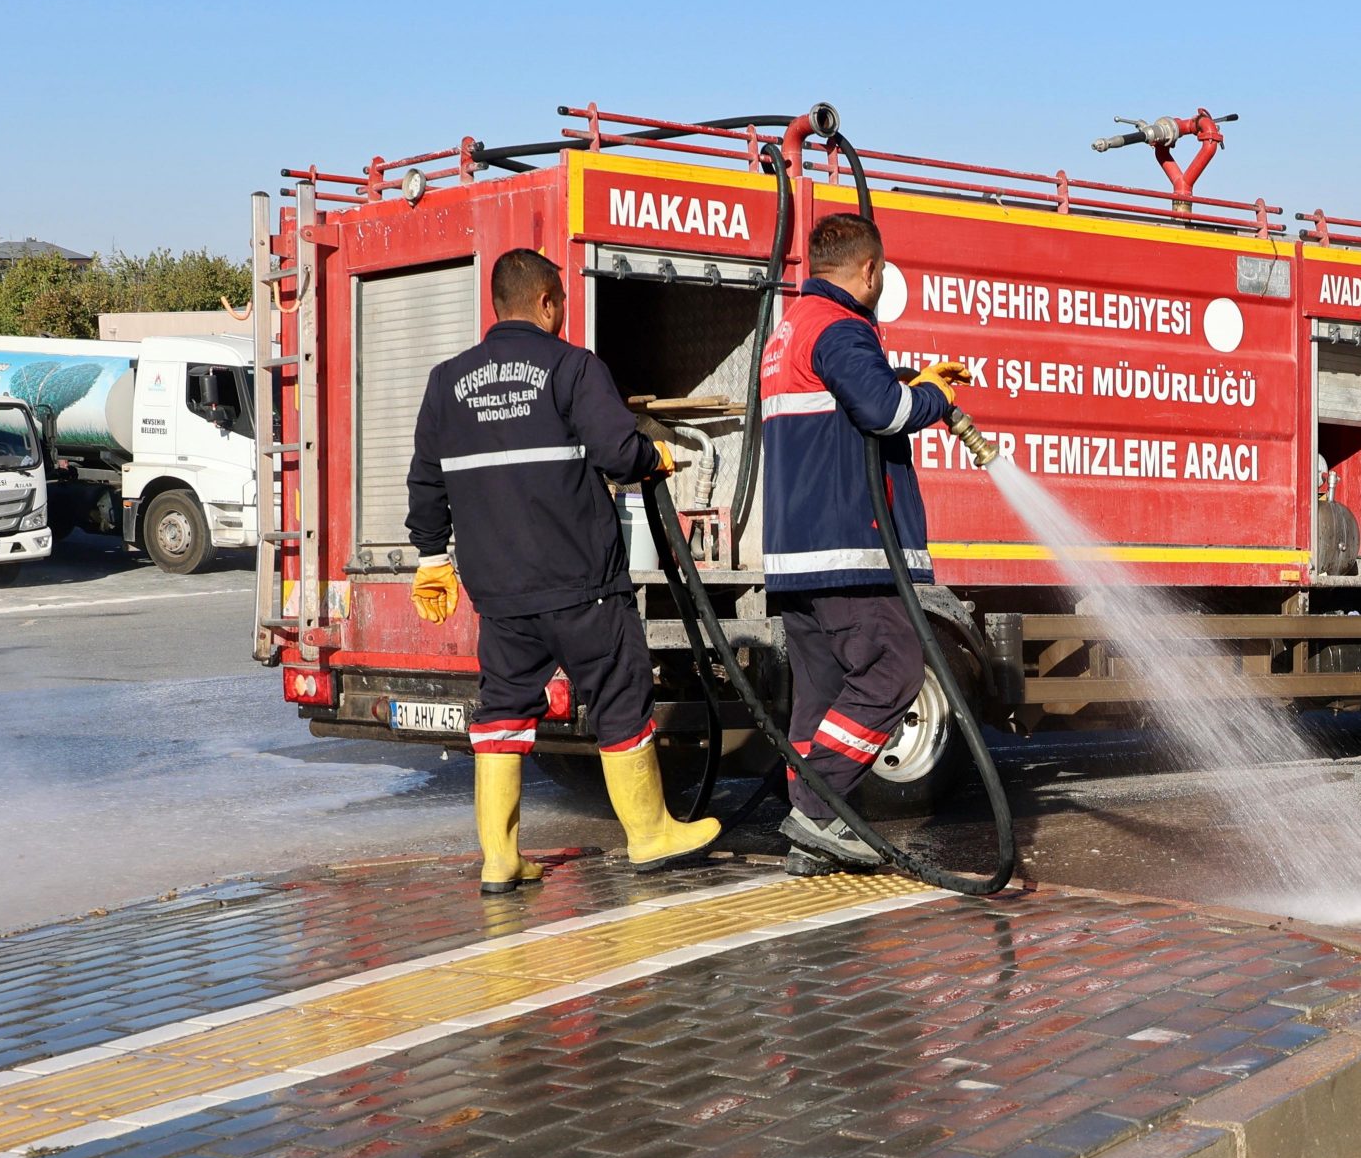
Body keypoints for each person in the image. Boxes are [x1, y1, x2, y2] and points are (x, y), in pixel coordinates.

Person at [406, 248, 719, 892]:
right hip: (582, 587)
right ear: (546, 302)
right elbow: (617, 452)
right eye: (562, 304)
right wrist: (653, 456)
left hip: (500, 595)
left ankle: (500, 858)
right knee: (619, 697)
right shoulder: (573, 367)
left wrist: (433, 558)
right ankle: (651, 835)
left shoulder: (445, 383)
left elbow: (426, 482)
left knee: (502, 712)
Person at [757, 212, 973, 869]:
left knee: (820, 694)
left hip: (797, 555)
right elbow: (883, 413)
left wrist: (909, 376)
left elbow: (847, 402)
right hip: (849, 548)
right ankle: (818, 811)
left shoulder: (791, 329)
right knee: (894, 670)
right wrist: (931, 398)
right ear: (870, 269)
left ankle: (816, 834)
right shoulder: (842, 328)